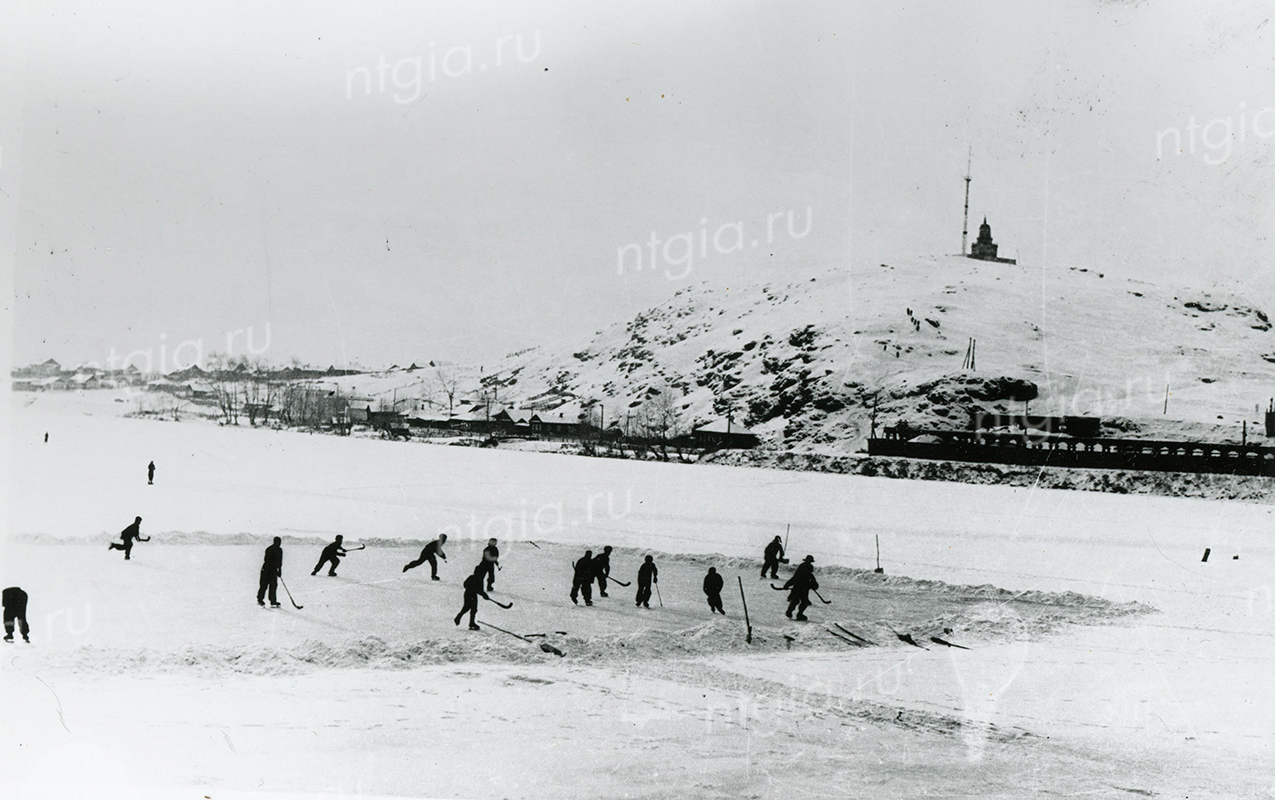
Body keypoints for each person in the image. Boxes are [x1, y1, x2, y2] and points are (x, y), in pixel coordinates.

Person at [782, 555, 818, 621]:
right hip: (801, 588)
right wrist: (788, 584)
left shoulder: (806, 568)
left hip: (801, 588)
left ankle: (793, 612)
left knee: (800, 601)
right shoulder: (804, 568)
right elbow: (796, 577)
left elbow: (810, 578)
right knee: (799, 601)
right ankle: (796, 613)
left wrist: (813, 585)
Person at [454, 566, 490, 631]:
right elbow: (480, 590)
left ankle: (459, 617)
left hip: (467, 593)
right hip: (472, 595)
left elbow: (465, 584)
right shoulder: (480, 579)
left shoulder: (471, 577)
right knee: (473, 608)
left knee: (467, 607)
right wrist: (484, 595)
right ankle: (471, 622)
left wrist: (470, 588)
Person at [258, 537, 283, 607]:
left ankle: (272, 601)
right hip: (267, 570)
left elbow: (280, 562)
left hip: (271, 570)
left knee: (273, 586)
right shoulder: (271, 550)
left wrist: (279, 570)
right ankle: (261, 599)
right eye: (278, 542)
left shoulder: (277, 550)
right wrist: (278, 570)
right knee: (265, 585)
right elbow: (267, 560)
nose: (279, 543)